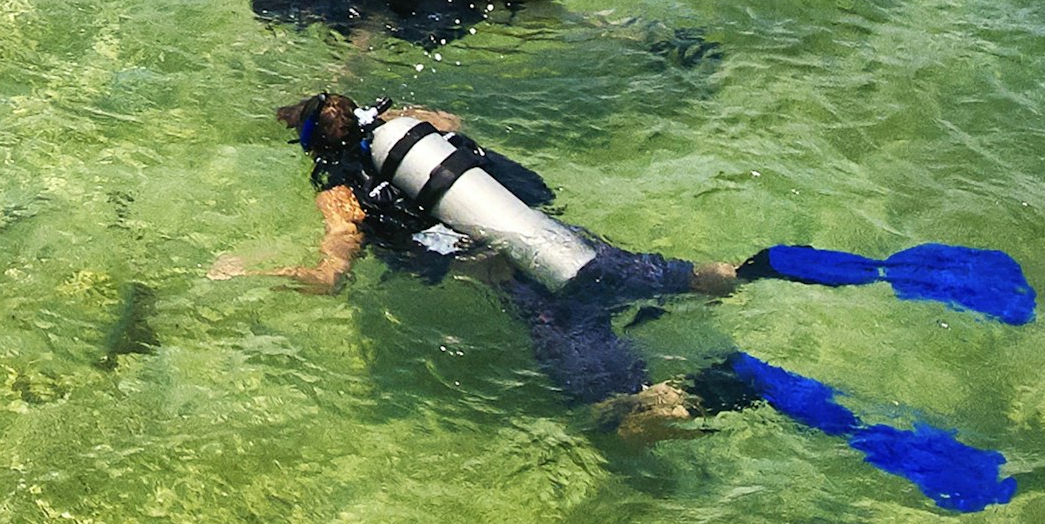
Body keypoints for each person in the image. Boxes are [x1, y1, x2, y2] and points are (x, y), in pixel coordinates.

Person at [217, 91, 748, 440]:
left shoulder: (339, 188)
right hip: (565, 242)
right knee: (667, 274)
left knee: (614, 417)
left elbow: (330, 277)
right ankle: (732, 277)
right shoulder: (411, 128)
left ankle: (679, 402)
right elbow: (453, 120)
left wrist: (249, 272)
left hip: (527, 288)